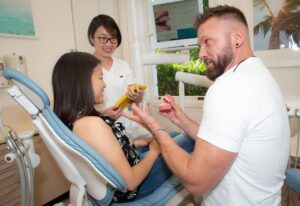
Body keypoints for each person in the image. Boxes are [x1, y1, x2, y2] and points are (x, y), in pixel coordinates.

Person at [127, 5, 290, 206]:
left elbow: (195, 181)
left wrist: (155, 128)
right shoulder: (258, 76)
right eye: (200, 45)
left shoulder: (229, 87)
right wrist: (181, 120)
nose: (201, 54)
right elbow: (224, 142)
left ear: (237, 38)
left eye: (208, 42)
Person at [51, 52, 194, 203]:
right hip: (138, 185)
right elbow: (130, 182)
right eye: (100, 77)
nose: (104, 84)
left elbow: (104, 155)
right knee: (190, 138)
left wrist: (137, 143)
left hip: (129, 163)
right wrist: (155, 151)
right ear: (81, 82)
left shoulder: (75, 120)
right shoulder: (91, 125)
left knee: (170, 135)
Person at [87, 14, 148, 138]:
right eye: (103, 38)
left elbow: (132, 103)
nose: (109, 44)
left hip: (131, 128)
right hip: (106, 132)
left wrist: (138, 96)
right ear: (92, 38)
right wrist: (103, 114)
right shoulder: (85, 68)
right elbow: (83, 112)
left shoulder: (123, 65)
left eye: (113, 38)